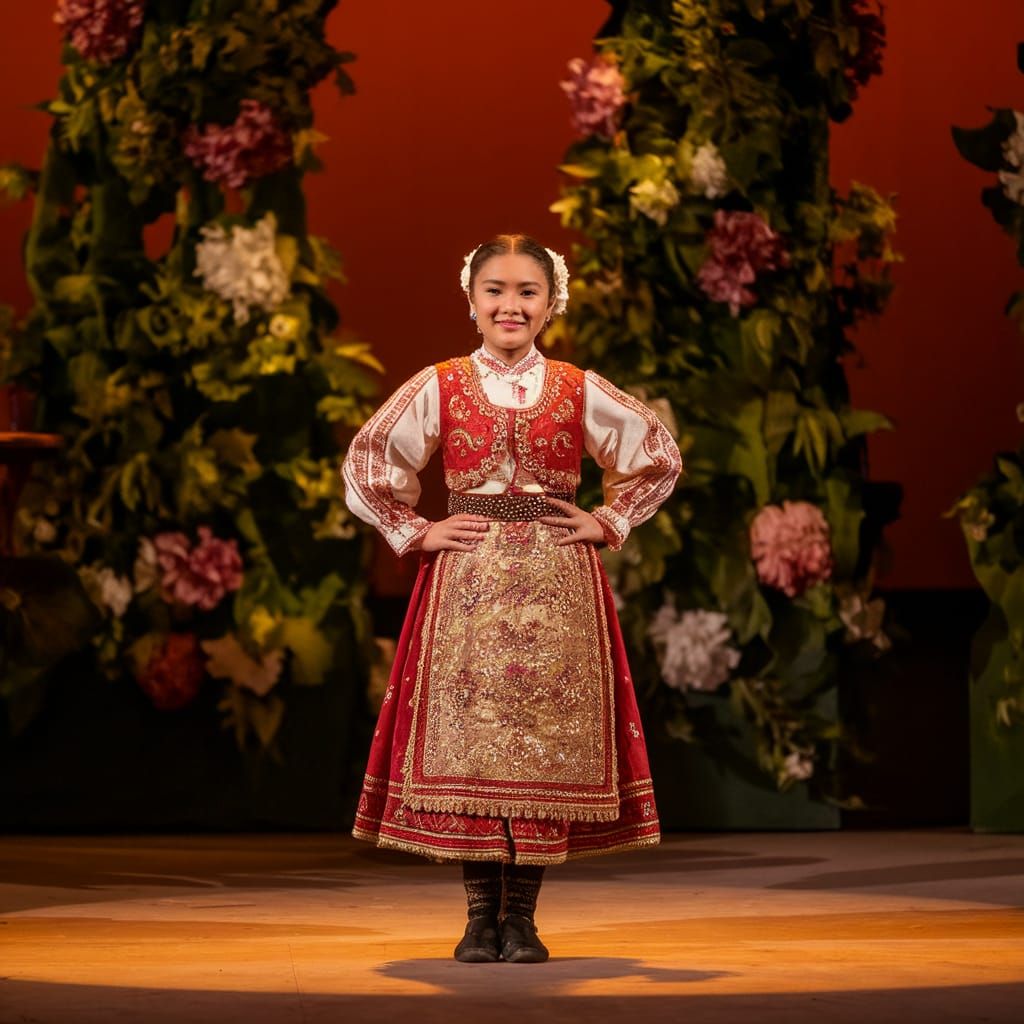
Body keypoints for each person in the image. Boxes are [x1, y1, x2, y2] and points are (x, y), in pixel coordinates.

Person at [341, 233, 683, 964]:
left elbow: (656, 452)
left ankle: (521, 918)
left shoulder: (576, 385)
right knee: (473, 750)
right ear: (471, 301)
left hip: (559, 582)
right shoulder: (439, 384)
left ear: (551, 303)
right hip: (468, 581)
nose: (510, 305)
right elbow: (371, 458)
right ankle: (476, 917)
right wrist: (414, 530)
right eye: (495, 290)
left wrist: (610, 520)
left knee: (539, 751)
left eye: (527, 292)